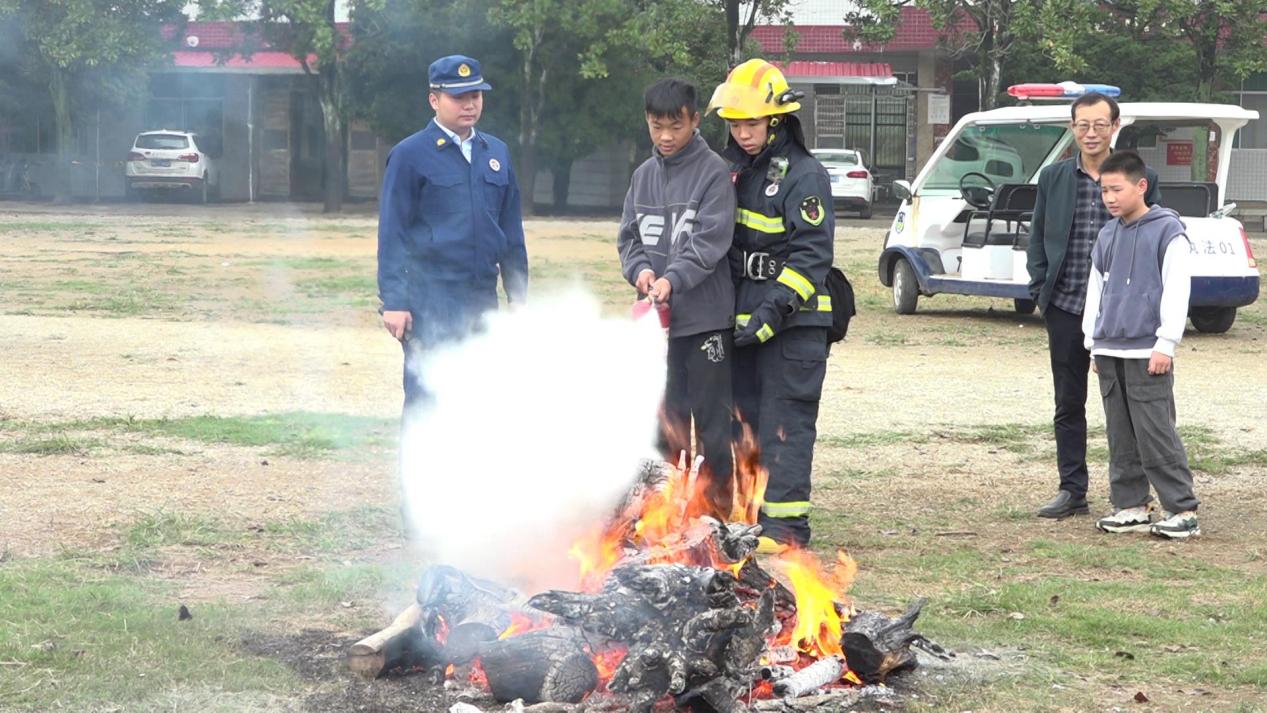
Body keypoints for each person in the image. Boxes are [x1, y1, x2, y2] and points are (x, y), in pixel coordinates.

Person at [706, 59, 835, 553]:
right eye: (735, 123)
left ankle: (785, 533)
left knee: (786, 426)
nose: (742, 132)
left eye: (752, 123)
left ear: (777, 121)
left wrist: (771, 313)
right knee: (746, 425)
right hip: (742, 323)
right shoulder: (732, 170)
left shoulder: (805, 176)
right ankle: (749, 522)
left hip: (794, 325)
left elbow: (812, 257)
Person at [1026, 92, 1161, 519]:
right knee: (1068, 401)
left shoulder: (1142, 177)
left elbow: (1152, 235)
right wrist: (1039, 287)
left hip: (1122, 313)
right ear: (1071, 128)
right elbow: (1037, 235)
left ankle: (1133, 494)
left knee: (1129, 403)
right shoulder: (1053, 178)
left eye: (1100, 124)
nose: (1091, 133)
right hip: (1065, 304)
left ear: (1115, 126)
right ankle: (1072, 489)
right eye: (1083, 125)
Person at [377, 55, 527, 416]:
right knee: (428, 397)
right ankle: (418, 474)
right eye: (458, 96)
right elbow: (392, 233)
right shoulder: (410, 155)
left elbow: (510, 232)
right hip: (430, 300)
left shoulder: (496, 153)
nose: (470, 104)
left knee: (478, 395)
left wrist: (518, 296)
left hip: (481, 297)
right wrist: (394, 301)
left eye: (475, 95)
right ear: (434, 100)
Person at [617, 78, 738, 519]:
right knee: (663, 425)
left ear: (694, 120)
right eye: (655, 126)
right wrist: (642, 272)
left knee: (711, 426)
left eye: (675, 126)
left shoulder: (713, 172)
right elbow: (629, 238)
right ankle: (661, 519)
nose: (665, 137)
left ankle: (717, 520)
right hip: (657, 328)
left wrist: (673, 278)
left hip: (705, 322)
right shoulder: (643, 177)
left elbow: (710, 241)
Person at [1083, 150, 1200, 539]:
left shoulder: (1169, 231)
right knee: (1120, 433)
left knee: (1155, 431)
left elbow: (1176, 289)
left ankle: (1181, 509)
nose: (1110, 198)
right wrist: (1092, 343)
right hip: (1109, 348)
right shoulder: (1106, 235)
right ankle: (1132, 504)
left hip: (1148, 351)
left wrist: (1166, 342)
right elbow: (1095, 291)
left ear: (1141, 186)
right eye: (1104, 191)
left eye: (1117, 189)